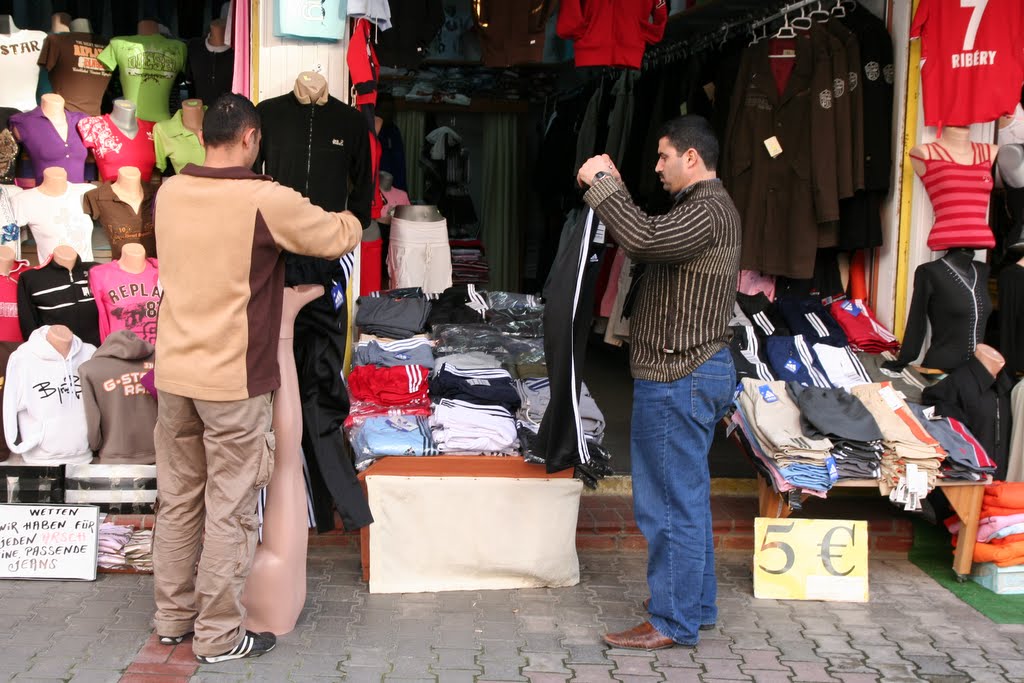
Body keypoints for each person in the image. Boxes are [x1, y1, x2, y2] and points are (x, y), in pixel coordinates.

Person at [150, 93, 363, 663]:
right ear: (251, 138)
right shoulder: (263, 198)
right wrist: (354, 216)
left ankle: (172, 618)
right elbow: (335, 236)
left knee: (179, 501)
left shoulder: (170, 191)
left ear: (203, 138)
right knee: (231, 509)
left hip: (174, 373)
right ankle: (218, 636)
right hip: (232, 379)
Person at [576, 115, 741, 650]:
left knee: (669, 504)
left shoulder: (708, 208)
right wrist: (617, 190)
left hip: (680, 373)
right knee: (685, 498)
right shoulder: (701, 208)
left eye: (664, 156)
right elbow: (652, 234)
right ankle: (695, 607)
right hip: (686, 370)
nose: (658, 166)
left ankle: (672, 620)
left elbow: (644, 239)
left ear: (691, 157)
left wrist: (604, 185)